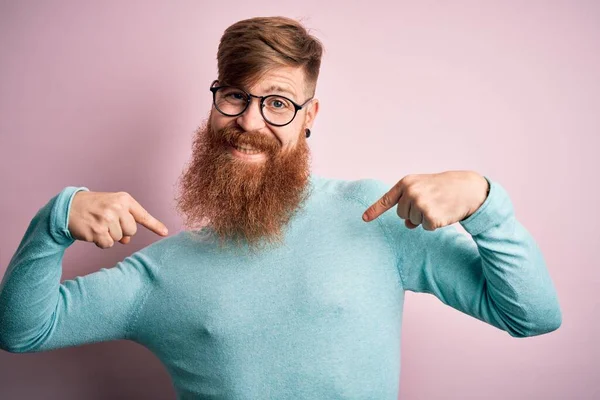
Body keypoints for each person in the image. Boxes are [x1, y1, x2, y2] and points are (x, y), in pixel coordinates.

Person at [0, 16, 562, 400]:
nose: (249, 121)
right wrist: (56, 219)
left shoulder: (374, 217)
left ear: (311, 115)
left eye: (277, 103)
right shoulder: (160, 273)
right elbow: (23, 332)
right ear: (216, 98)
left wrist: (488, 205)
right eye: (236, 96)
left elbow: (532, 316)